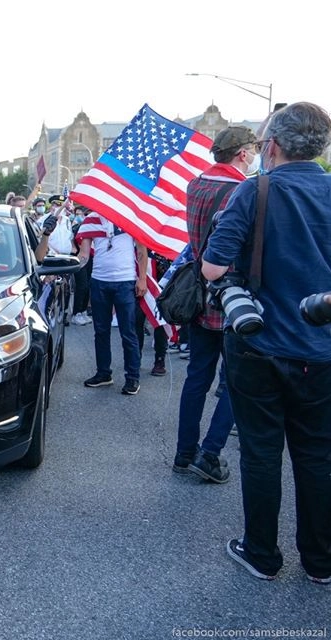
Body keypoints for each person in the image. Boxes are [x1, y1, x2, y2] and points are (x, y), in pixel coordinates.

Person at [202, 102, 331, 584]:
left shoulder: (254, 190)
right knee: (318, 455)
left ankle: (262, 554)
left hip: (259, 343)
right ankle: (320, 562)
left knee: (260, 453)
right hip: (321, 349)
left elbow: (213, 268)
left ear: (271, 146)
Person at [173, 125, 257, 483]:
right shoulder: (241, 190)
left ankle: (184, 452)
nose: (254, 157)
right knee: (238, 383)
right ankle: (210, 453)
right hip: (231, 297)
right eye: (252, 150)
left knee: (197, 377)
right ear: (242, 153)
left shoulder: (196, 184)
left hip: (198, 294)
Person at [75, 210, 148, 395]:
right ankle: (103, 373)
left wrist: (142, 279)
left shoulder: (130, 216)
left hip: (125, 281)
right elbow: (84, 254)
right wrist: (70, 267)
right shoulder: (91, 219)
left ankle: (132, 377)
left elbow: (141, 249)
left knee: (128, 331)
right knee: (101, 331)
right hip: (99, 281)